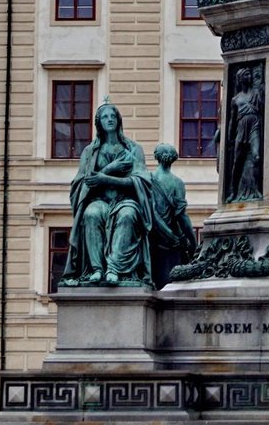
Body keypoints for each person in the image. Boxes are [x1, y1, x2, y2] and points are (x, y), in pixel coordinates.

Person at [61, 101, 153, 287]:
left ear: (118, 121)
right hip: (99, 199)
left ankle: (114, 269)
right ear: (98, 123)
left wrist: (105, 179)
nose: (109, 120)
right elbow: (83, 182)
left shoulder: (134, 150)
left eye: (113, 116)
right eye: (105, 117)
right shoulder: (90, 151)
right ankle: (97, 269)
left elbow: (141, 181)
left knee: (128, 215)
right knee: (91, 214)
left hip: (125, 200)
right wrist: (110, 170)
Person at [149, 143, 197, 287]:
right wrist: (192, 241)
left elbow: (151, 211)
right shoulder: (177, 183)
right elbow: (182, 217)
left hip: (150, 237)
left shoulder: (148, 178)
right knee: (169, 283)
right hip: (170, 242)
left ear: (156, 157)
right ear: (174, 158)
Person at [226, 64, 263, 202]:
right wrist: (230, 137)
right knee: (237, 161)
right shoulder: (235, 99)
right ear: (241, 78)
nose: (250, 76)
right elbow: (232, 120)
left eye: (250, 74)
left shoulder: (256, 93)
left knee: (256, 157)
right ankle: (233, 191)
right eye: (247, 74)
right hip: (241, 128)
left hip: (254, 125)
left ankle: (257, 189)